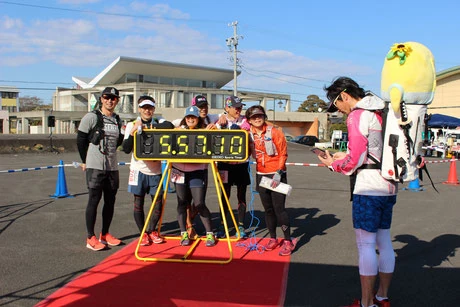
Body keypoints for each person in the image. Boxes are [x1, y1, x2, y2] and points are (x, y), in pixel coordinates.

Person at [318, 77, 396, 307]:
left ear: (343, 95)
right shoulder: (382, 110)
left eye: (336, 105)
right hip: (389, 184)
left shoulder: (358, 114)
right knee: (384, 241)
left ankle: (365, 302)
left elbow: (357, 159)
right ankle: (382, 297)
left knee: (366, 245)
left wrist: (333, 164)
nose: (338, 110)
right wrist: (348, 156)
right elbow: (372, 150)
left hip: (368, 187)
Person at [121, 95, 174, 246]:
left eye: (150, 108)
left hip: (155, 170)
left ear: (153, 109)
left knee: (157, 203)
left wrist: (151, 128)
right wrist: (133, 134)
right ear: (139, 109)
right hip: (138, 169)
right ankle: (143, 233)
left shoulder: (159, 122)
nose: (147, 110)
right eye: (144, 108)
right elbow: (125, 149)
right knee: (138, 203)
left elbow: (170, 126)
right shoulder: (131, 125)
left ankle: (152, 230)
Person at [77, 87, 124, 251]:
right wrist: (85, 161)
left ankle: (105, 234)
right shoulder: (92, 117)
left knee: (110, 201)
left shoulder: (118, 120)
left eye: (113, 98)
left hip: (112, 165)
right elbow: (81, 140)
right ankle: (91, 237)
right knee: (94, 200)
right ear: (101, 99)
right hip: (95, 165)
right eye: (107, 97)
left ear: (117, 101)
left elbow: (118, 142)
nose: (110, 100)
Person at [245, 105, 296, 256]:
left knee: (279, 209)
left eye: (259, 116)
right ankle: (273, 238)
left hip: (276, 174)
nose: (257, 119)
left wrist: (279, 171)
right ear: (249, 120)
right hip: (261, 174)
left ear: (264, 116)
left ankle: (288, 240)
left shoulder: (275, 132)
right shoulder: (248, 134)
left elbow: (283, 153)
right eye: (254, 117)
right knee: (268, 209)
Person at [171, 106, 216, 247]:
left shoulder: (205, 131)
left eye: (194, 117)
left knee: (199, 203)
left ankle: (210, 233)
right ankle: (183, 232)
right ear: (185, 118)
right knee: (182, 202)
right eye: (188, 117)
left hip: (197, 171)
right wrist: (173, 132)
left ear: (198, 119)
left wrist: (214, 131)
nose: (191, 119)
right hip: (179, 170)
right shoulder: (178, 130)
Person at [215, 95, 251, 239]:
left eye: (240, 107)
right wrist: (220, 118)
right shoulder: (219, 121)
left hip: (242, 164)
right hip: (225, 165)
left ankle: (240, 226)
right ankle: (222, 225)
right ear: (227, 108)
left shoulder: (246, 121)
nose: (239, 109)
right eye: (235, 107)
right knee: (224, 195)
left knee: (241, 196)